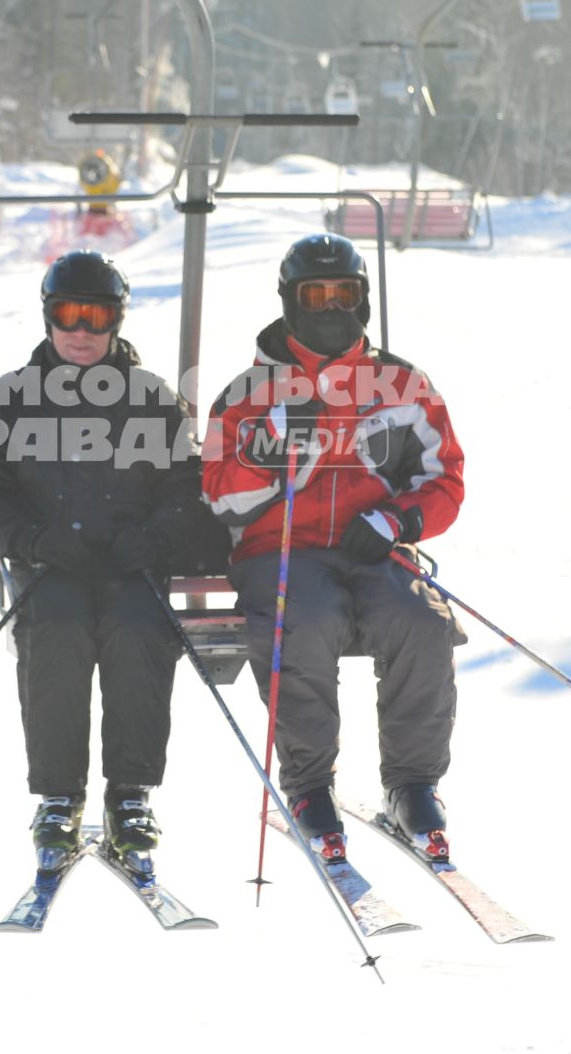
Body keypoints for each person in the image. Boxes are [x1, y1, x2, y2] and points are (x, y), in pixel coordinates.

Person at [201, 233, 467, 864]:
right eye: (313, 295)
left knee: (422, 623)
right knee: (306, 623)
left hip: (372, 546)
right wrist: (267, 457)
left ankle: (413, 784)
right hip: (282, 550)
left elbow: (445, 479)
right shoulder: (248, 394)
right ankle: (310, 787)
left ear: (364, 302)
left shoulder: (400, 383)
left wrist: (397, 522)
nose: (329, 307)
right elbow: (218, 497)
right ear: (289, 302)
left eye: (342, 294)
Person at [0, 251, 204, 868]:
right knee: (57, 631)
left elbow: (188, 490)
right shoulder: (11, 399)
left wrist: (153, 538)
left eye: (97, 317)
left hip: (130, 566)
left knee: (138, 631)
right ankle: (60, 795)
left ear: (117, 320)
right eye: (69, 315)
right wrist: (34, 541)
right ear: (48, 317)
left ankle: (129, 793)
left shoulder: (153, 399)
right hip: (50, 567)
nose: (82, 332)